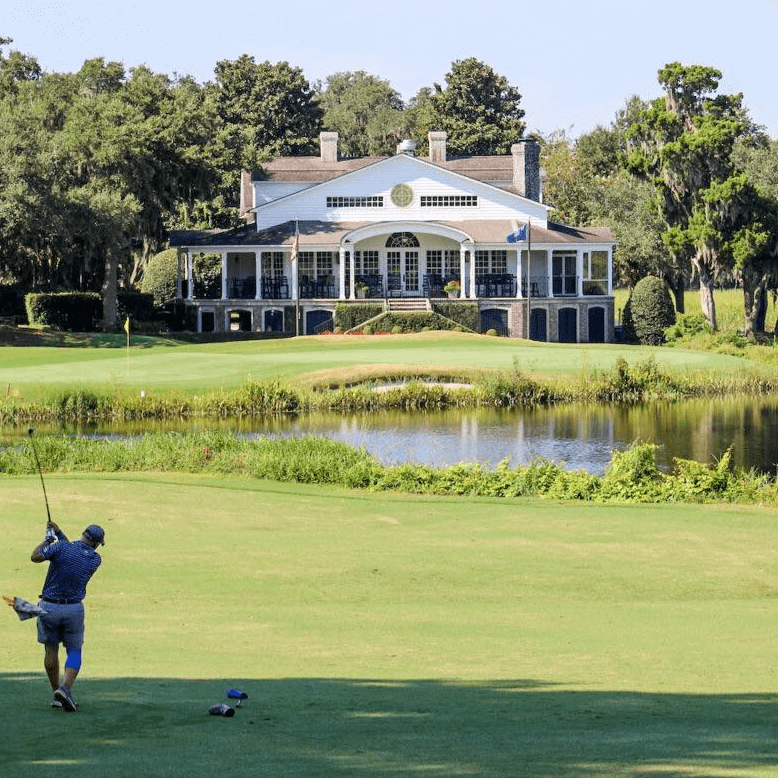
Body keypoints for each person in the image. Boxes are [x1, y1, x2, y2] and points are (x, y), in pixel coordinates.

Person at [31, 521, 105, 712]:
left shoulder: (61, 547)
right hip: (73, 610)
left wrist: (48, 540)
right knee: (74, 650)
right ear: (97, 544)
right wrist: (59, 532)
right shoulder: (95, 559)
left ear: (82, 534)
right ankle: (66, 689)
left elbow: (35, 557)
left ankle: (56, 692)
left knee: (50, 650)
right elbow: (72, 551)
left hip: (48, 607)